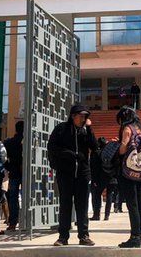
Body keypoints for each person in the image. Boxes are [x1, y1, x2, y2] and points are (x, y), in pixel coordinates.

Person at [47, 104, 97, 246]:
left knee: (82, 206)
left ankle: (84, 235)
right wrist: (67, 156)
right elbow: (52, 148)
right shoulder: (61, 130)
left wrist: (90, 129)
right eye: (81, 116)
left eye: (85, 116)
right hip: (65, 174)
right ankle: (63, 237)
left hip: (82, 174)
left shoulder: (85, 131)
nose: (83, 119)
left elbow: (94, 147)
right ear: (73, 116)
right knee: (65, 205)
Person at [116, 106, 141, 249]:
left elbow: (123, 148)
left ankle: (134, 237)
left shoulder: (127, 129)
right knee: (140, 206)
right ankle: (140, 237)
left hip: (129, 172)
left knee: (132, 205)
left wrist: (116, 146)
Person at [3, 121, 24, 232]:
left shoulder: (9, 142)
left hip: (14, 172)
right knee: (27, 198)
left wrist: (9, 167)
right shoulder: (28, 141)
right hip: (27, 173)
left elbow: (4, 158)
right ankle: (27, 221)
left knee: (13, 198)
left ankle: (12, 223)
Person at [89, 137, 110, 221]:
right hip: (108, 177)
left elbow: (94, 168)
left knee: (96, 197)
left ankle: (96, 214)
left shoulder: (95, 153)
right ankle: (106, 215)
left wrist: (94, 180)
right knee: (109, 197)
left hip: (98, 179)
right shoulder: (108, 153)